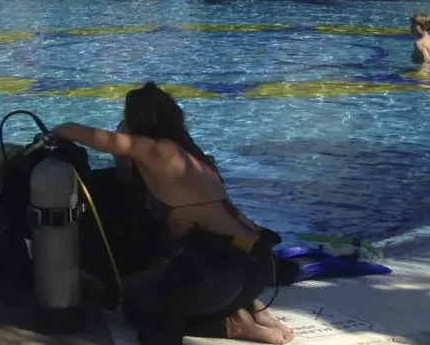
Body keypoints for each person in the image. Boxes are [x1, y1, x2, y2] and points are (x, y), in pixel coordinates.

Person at [51, 83, 293, 344]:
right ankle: (251, 309)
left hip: (222, 275)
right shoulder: (190, 153)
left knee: (136, 308)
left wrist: (51, 137)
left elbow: (73, 130)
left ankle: (232, 325)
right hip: (257, 266)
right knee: (175, 285)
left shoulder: (156, 150)